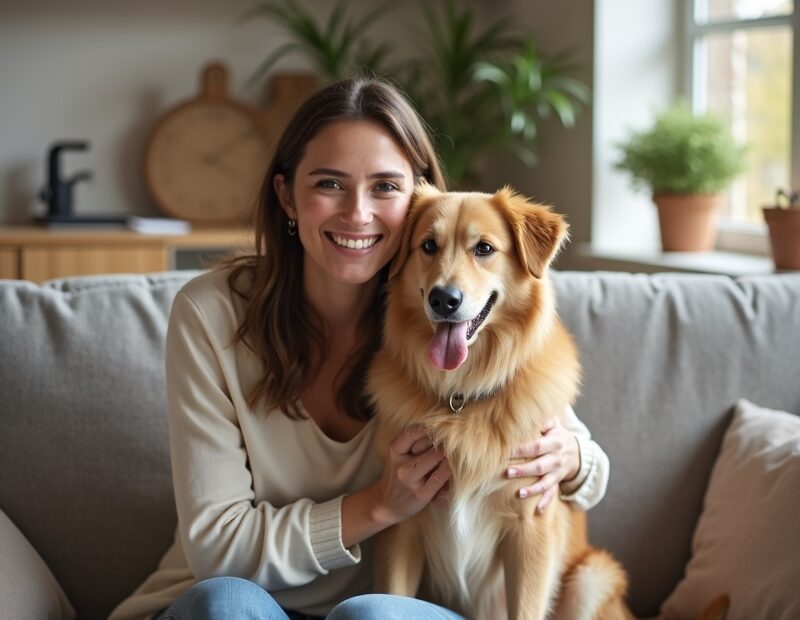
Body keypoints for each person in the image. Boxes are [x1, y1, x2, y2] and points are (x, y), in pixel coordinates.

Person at [109, 77, 610, 620]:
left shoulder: (435, 315)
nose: (358, 212)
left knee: (372, 616)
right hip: (237, 603)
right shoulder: (210, 315)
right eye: (329, 183)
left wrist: (574, 458)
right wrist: (378, 506)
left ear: (416, 198)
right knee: (224, 605)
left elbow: (562, 442)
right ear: (286, 196)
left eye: (385, 187)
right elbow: (216, 550)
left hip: (365, 612)